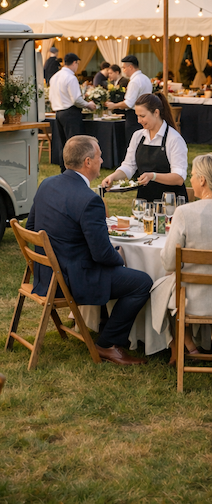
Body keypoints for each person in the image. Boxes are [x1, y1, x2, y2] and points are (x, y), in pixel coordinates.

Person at [26, 135, 152, 365]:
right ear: (87, 162)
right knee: (141, 281)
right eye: (99, 156)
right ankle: (107, 344)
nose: (102, 160)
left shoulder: (47, 184)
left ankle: (104, 327)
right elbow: (102, 255)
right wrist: (120, 260)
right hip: (73, 279)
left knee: (120, 272)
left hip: (45, 276)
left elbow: (31, 228)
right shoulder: (88, 199)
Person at [151, 154, 212, 363]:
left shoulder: (186, 213)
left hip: (191, 297)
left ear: (202, 180)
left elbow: (168, 262)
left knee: (158, 289)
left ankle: (184, 348)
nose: (191, 179)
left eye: (193, 175)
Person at [101, 92, 188, 202]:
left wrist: (153, 176)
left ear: (156, 113)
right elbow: (129, 166)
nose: (139, 120)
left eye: (142, 116)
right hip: (144, 201)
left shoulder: (174, 139)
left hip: (170, 202)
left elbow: (179, 178)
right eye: (137, 116)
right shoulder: (138, 136)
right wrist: (113, 177)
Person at [49, 52, 96, 172]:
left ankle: (63, 169)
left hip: (58, 112)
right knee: (75, 145)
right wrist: (88, 105)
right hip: (71, 113)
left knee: (63, 144)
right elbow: (75, 99)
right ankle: (75, 170)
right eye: (77, 64)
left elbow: (51, 97)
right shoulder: (71, 77)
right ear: (75, 63)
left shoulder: (55, 77)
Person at [105, 55, 152, 142]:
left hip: (134, 116)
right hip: (147, 114)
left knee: (133, 143)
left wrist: (113, 106)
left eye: (124, 68)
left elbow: (129, 103)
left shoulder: (134, 81)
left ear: (130, 67)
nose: (123, 71)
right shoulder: (146, 78)